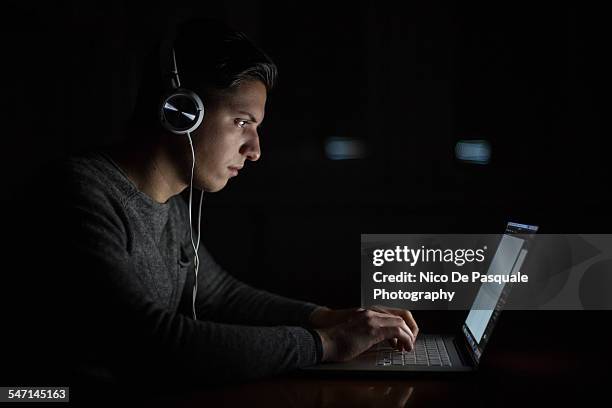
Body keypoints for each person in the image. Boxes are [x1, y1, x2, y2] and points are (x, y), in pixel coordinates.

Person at [8, 18, 418, 391]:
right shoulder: (79, 195)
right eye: (242, 122)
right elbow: (152, 343)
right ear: (181, 111)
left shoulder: (167, 202)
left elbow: (219, 294)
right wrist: (323, 344)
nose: (255, 150)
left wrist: (325, 317)